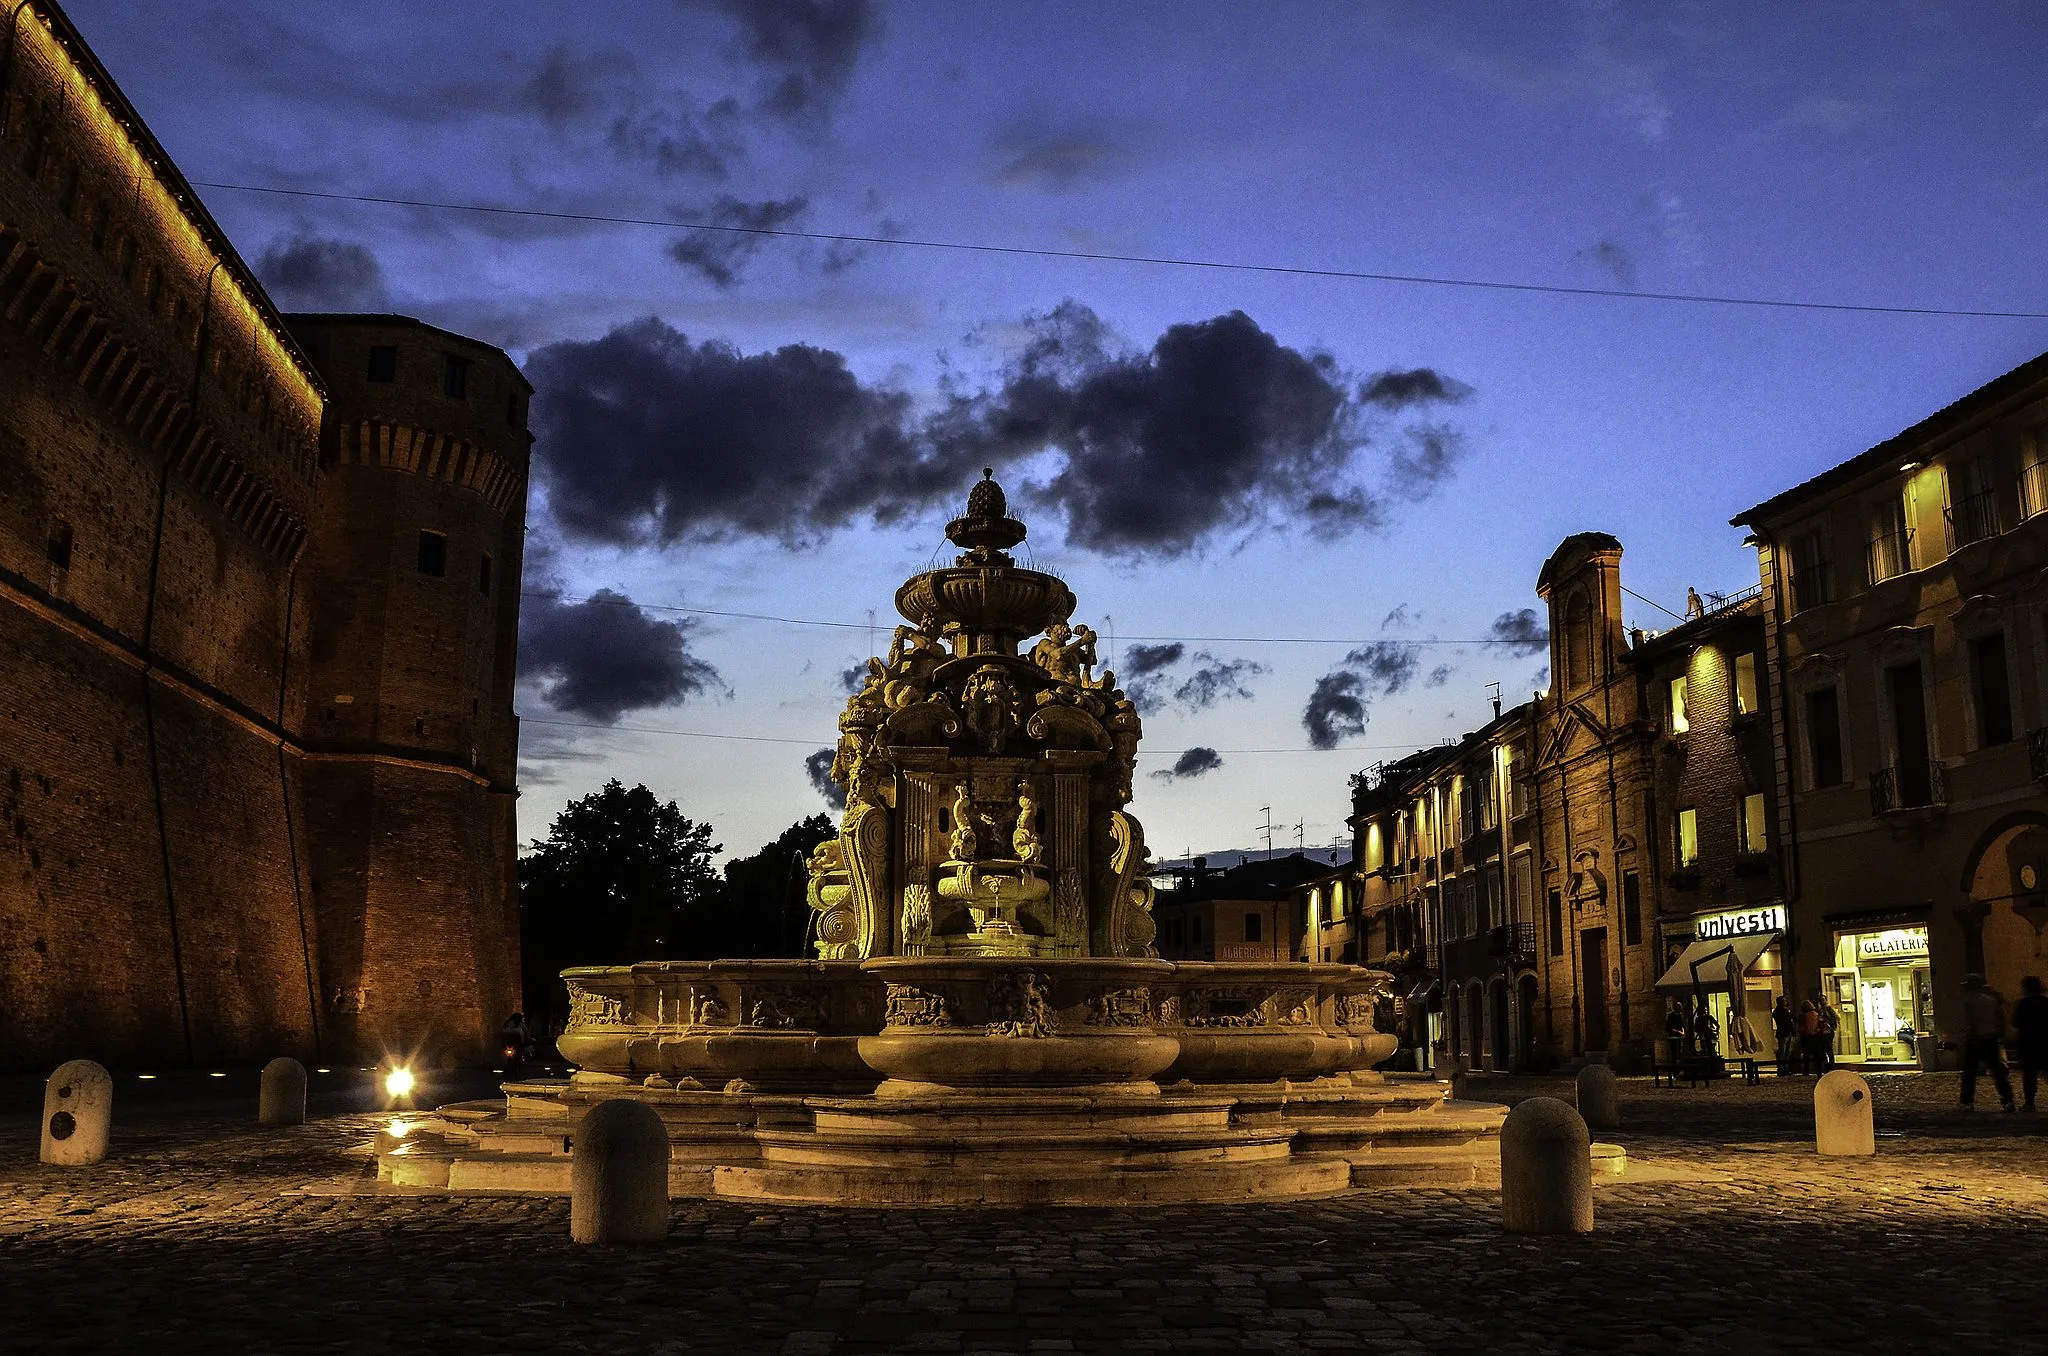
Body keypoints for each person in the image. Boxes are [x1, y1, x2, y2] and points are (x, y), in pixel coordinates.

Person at [1960, 973, 2016, 1112]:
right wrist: (2001, 1036)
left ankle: (1967, 1102)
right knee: (1997, 1072)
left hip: (1975, 1039)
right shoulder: (1991, 1000)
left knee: (1969, 1073)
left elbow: (1969, 1022)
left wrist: (1966, 1037)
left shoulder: (1969, 1001)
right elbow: (2000, 1019)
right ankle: (2008, 1101)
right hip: (1991, 1039)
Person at [2011, 976, 2048, 1113]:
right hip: (2045, 1043)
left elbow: (2015, 1023)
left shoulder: (2023, 1003)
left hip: (2028, 1044)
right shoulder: (2046, 1002)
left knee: (2029, 1076)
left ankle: (2029, 1103)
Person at [1772, 996, 1799, 1074]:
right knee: (1782, 1051)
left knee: (1787, 1051)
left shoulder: (1786, 1010)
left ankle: (1786, 1068)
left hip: (1788, 1032)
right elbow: (1786, 1020)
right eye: (1784, 1001)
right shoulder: (1778, 1011)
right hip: (1783, 1033)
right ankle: (1781, 1068)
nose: (1785, 1002)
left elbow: (1794, 1018)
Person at [1797, 1000, 1825, 1074]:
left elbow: (1801, 1025)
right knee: (1817, 1055)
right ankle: (1819, 1070)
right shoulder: (1816, 1014)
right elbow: (1821, 1024)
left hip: (1806, 1036)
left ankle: (1806, 1070)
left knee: (1806, 1054)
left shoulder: (1803, 1015)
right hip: (1816, 1035)